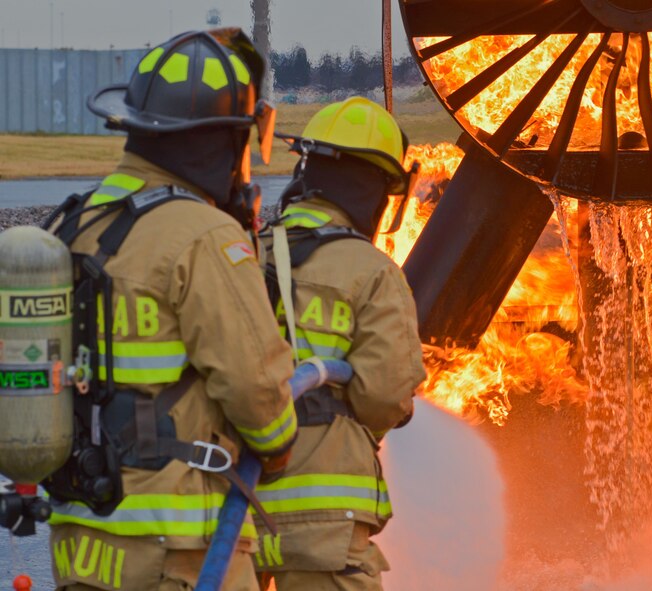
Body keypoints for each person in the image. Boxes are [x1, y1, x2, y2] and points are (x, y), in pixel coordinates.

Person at [43, 29, 296, 591]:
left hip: (81, 541)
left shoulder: (76, 222)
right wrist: (278, 446)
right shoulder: (203, 235)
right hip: (177, 550)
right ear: (220, 143)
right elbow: (261, 396)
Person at [253, 97, 427, 590]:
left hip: (236, 506)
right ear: (377, 192)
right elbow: (385, 396)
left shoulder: (248, 252)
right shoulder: (373, 272)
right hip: (325, 518)